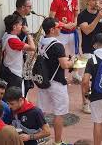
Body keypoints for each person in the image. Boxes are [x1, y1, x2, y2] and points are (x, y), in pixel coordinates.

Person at [37, 17, 74, 145]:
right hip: (57, 82)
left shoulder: (41, 41)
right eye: (58, 27)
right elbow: (64, 65)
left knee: (42, 111)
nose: (60, 28)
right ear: (52, 30)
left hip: (43, 81)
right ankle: (58, 142)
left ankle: (39, 137)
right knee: (59, 113)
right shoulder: (57, 45)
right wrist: (72, 61)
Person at [77, 0, 102, 114]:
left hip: (101, 51)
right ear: (88, 1)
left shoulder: (101, 14)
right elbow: (87, 30)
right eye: (94, 0)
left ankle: (96, 101)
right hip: (86, 50)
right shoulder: (82, 15)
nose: (97, 2)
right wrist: (98, 18)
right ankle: (85, 103)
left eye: (98, 0)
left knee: (99, 77)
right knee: (85, 80)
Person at [49, 0, 80, 83]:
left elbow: (76, 15)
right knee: (60, 54)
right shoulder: (57, 0)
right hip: (61, 32)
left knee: (75, 53)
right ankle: (59, 75)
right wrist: (64, 25)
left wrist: (75, 23)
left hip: (72, 32)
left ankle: (75, 74)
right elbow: (51, 18)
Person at [0, 14, 35, 98]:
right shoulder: (13, 40)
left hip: (9, 70)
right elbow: (32, 47)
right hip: (14, 73)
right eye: (20, 25)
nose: (22, 27)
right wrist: (28, 33)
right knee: (16, 98)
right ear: (14, 27)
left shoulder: (6, 35)